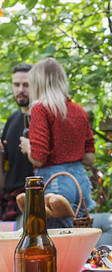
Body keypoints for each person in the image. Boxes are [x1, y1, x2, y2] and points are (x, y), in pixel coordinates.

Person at [19, 57, 96, 228]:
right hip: (80, 180)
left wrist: (28, 146)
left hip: (55, 181)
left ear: (38, 83)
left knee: (57, 240)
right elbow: (89, 157)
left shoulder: (41, 108)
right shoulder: (79, 110)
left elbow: (39, 158)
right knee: (81, 235)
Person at [0, 63, 35, 221]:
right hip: (8, 201)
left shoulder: (41, 118)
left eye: (26, 85)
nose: (21, 90)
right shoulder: (12, 119)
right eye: (16, 85)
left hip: (31, 199)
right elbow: (6, 168)